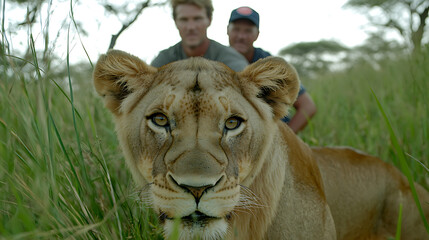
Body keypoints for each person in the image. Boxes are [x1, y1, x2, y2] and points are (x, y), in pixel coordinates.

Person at [227, 6, 317, 134]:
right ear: (227, 30)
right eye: (236, 29)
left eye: (248, 31)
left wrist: (285, 140)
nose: (241, 36)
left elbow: (308, 106)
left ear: (257, 35)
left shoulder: (269, 64)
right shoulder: (215, 60)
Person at [151, 0, 248, 72]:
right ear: (175, 22)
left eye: (197, 18)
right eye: (184, 19)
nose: (191, 27)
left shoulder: (230, 59)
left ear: (209, 20)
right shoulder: (164, 59)